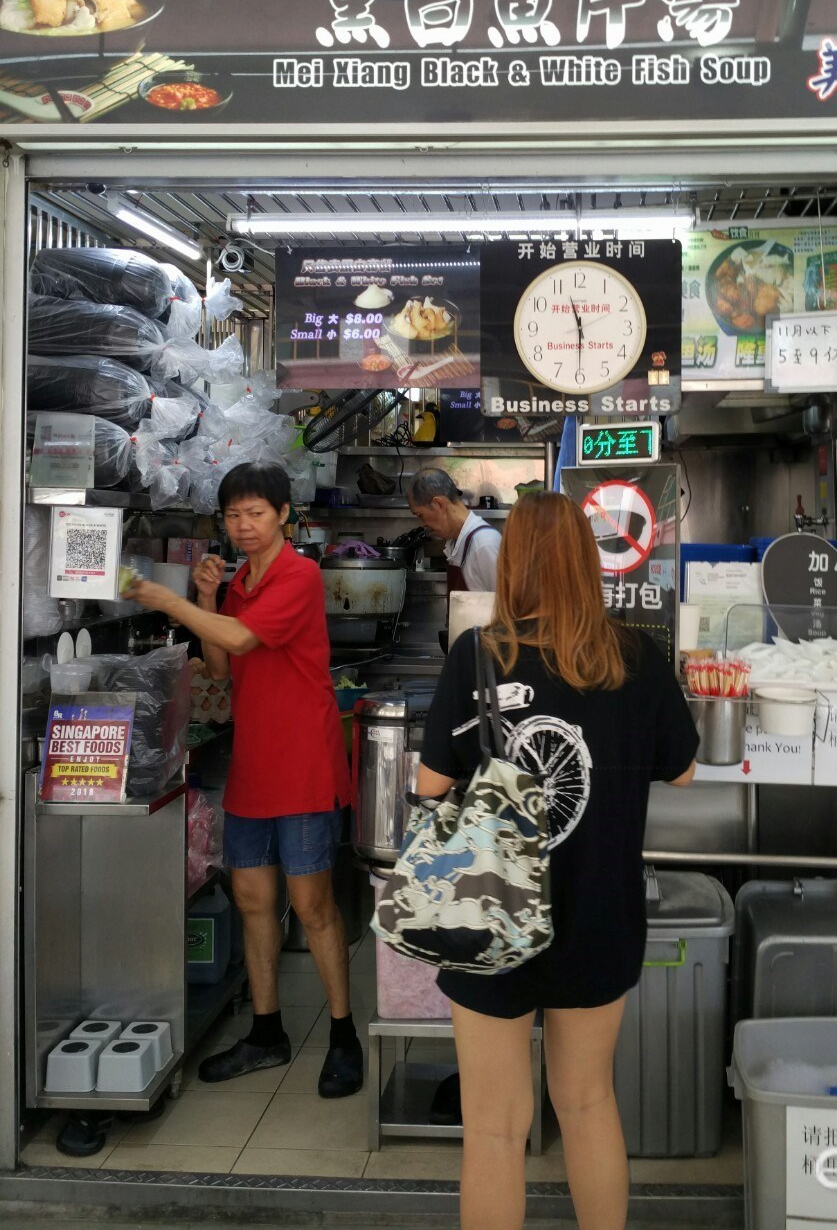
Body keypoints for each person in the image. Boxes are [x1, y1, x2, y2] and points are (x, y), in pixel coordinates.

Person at [417, 491, 697, 1230]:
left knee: (497, 1128)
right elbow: (683, 769)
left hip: (491, 913)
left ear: (512, 565)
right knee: (587, 1101)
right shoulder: (636, 656)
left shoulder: (479, 655)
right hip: (600, 911)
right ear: (587, 563)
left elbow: (430, 785)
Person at [123, 462, 364, 1098]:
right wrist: (204, 598)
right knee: (255, 901)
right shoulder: (242, 582)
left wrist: (171, 600)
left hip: (305, 765)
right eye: (233, 516)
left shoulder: (300, 575)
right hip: (255, 763)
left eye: (256, 513)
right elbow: (221, 667)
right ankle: (266, 1032)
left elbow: (239, 638)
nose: (243, 526)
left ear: (284, 514)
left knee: (313, 907)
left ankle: (344, 1036)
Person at [406, 467, 502, 593]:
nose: (423, 524)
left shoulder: (484, 544)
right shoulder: (456, 542)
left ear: (439, 504)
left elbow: (508, 608)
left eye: (420, 515)